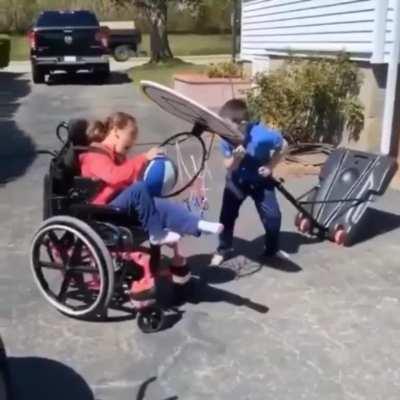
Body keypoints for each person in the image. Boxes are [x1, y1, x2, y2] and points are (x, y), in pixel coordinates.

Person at [79, 112, 223, 286]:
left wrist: (146, 170)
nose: (132, 142)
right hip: (102, 211)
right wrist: (143, 158)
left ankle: (198, 224)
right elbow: (115, 176)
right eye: (131, 135)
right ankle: (157, 234)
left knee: (157, 203)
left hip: (117, 205)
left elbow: (127, 180)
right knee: (140, 190)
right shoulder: (95, 154)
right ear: (116, 131)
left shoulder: (116, 156)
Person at [210, 99, 288, 267]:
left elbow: (284, 145)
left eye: (228, 125)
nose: (225, 129)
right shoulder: (226, 137)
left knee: (273, 216)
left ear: (243, 123)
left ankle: (271, 249)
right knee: (226, 217)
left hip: (261, 182)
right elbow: (228, 166)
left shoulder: (265, 135)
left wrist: (270, 165)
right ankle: (224, 249)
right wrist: (236, 158)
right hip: (236, 181)